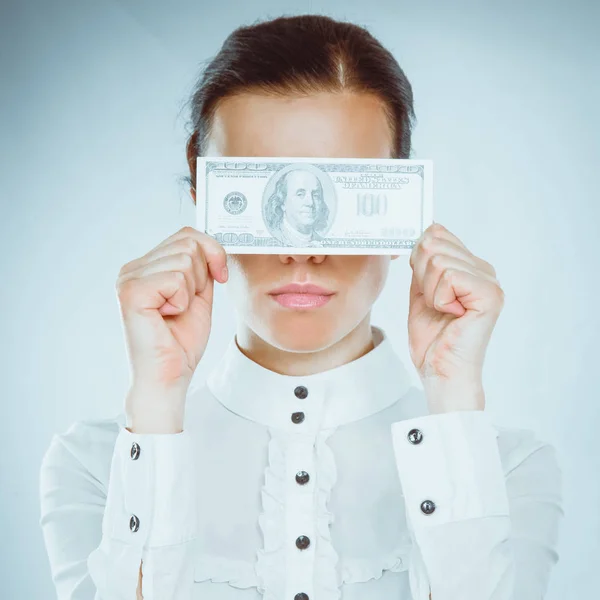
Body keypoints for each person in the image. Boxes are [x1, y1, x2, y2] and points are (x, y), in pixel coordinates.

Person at [39, 14, 564, 600]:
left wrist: (453, 401)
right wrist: (157, 407)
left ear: (400, 202)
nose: (301, 249)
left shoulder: (507, 469)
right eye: (269, 196)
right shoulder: (94, 467)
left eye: (336, 199)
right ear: (202, 192)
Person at [263, 167, 330, 247]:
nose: (310, 203)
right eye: (300, 194)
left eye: (315, 195)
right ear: (282, 202)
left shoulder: (323, 242)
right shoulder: (274, 237)